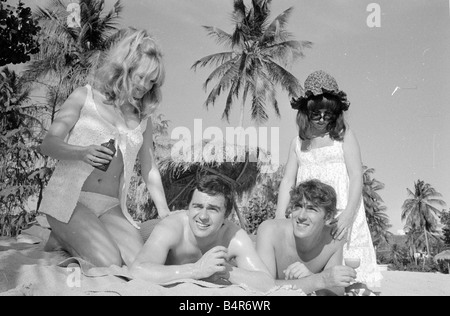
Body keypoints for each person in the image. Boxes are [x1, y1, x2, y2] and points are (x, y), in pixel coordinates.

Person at [38, 28, 171, 267]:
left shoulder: (143, 119)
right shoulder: (84, 97)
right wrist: (81, 152)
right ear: (124, 68)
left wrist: (164, 212)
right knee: (110, 262)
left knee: (141, 265)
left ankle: (72, 239)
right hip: (70, 199)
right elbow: (48, 144)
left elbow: (149, 168)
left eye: (151, 82)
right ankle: (61, 235)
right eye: (140, 77)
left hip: (110, 207)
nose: (144, 86)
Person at [274, 70, 382, 289]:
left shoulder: (344, 136)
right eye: (316, 114)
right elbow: (287, 181)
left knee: (352, 278)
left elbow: (355, 176)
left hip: (343, 213)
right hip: (313, 214)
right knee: (314, 273)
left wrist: (349, 214)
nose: (322, 119)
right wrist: (279, 217)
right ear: (306, 112)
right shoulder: (297, 143)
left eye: (328, 114)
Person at [130, 175, 275, 292]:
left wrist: (222, 270)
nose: (203, 216)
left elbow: (267, 283)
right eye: (198, 206)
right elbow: (137, 270)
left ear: (227, 214)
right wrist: (196, 270)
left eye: (213, 209)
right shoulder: (171, 228)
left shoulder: (235, 237)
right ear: (188, 208)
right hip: (147, 230)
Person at [257, 179, 356, 296]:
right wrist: (316, 281)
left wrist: (311, 277)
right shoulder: (270, 231)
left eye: (311, 209)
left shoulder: (333, 239)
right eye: (298, 206)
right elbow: (262, 287)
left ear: (328, 216)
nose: (301, 216)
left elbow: (337, 290)